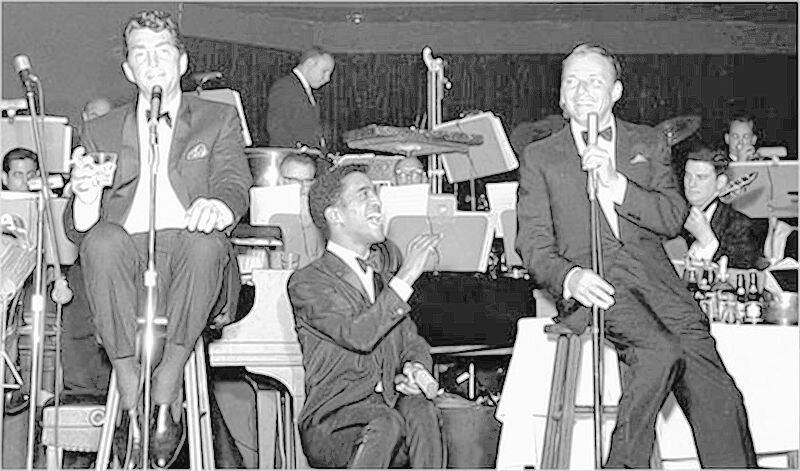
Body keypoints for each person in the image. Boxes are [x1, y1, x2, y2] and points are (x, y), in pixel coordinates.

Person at [516, 44, 756, 468]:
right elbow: (533, 243)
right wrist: (569, 278)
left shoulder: (646, 142)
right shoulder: (540, 156)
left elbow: (672, 217)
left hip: (658, 283)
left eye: (595, 81)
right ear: (560, 96)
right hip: (597, 284)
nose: (582, 90)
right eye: (571, 81)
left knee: (716, 390)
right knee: (658, 352)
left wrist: (618, 186)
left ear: (616, 92)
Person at [64, 10, 251, 468]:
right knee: (101, 240)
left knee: (207, 242)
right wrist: (86, 198)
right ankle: (130, 384)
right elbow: (78, 229)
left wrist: (219, 207)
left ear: (182, 62)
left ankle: (167, 383)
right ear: (128, 70)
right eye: (140, 55)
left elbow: (233, 182)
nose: (152, 63)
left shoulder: (218, 118)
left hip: (190, 254)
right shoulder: (100, 129)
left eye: (162, 52)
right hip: (122, 262)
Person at [287, 166, 444, 468]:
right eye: (364, 195)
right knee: (385, 421)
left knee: (423, 412)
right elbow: (358, 334)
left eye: (375, 193)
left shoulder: (382, 281)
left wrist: (416, 369)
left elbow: (412, 341)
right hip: (332, 420)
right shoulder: (308, 282)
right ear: (336, 216)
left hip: (385, 409)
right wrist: (407, 275)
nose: (377, 203)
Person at [681, 146, 765, 268]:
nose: (691, 184)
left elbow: (742, 270)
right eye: (688, 176)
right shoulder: (671, 215)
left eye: (701, 177)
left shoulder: (740, 226)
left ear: (720, 182)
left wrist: (708, 241)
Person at [267, 46, 334, 150]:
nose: (327, 78)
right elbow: (278, 131)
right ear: (309, 64)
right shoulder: (285, 87)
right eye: (325, 71)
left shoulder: (301, 89)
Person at [278, 153, 324, 266]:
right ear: (281, 181)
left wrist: (307, 221)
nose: (302, 187)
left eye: (307, 181)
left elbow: (318, 258)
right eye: (295, 180)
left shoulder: (318, 213)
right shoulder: (266, 207)